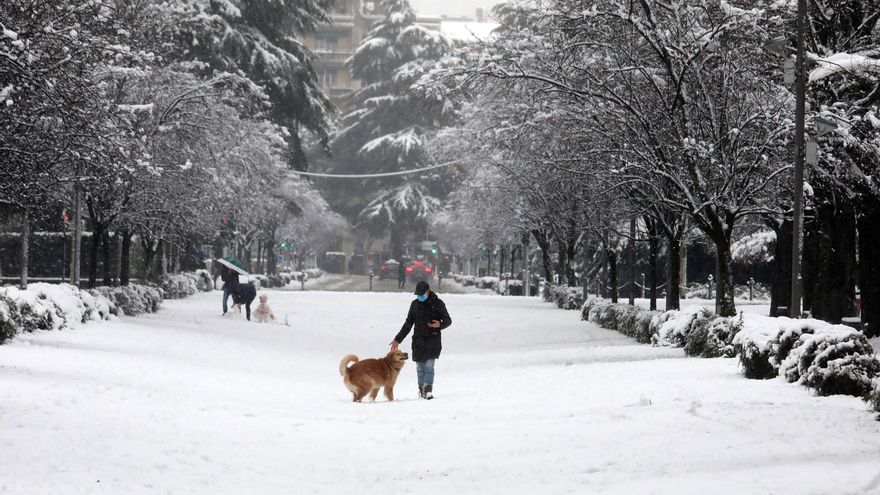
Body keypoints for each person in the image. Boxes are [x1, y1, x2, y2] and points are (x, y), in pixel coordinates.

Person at [390, 281, 452, 400]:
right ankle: (421, 389)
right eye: (418, 294)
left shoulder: (438, 303)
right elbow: (408, 323)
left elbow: (448, 320)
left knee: (429, 367)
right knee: (420, 368)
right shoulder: (415, 304)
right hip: (418, 341)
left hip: (433, 340)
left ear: (427, 291)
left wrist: (440, 324)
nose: (419, 296)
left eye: (421, 294)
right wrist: (398, 339)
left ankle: (428, 390)